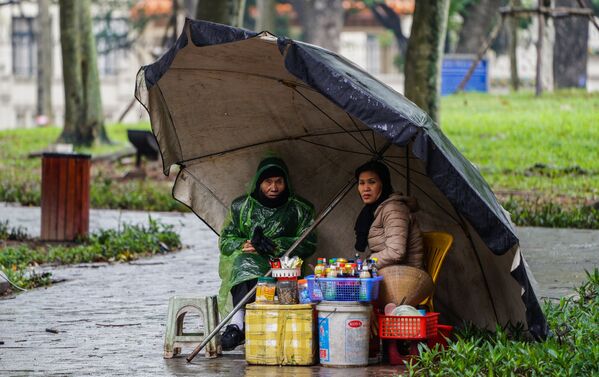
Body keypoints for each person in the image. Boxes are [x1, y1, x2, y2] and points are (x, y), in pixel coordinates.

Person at [218, 157, 316, 351]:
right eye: (268, 182)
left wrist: (275, 246)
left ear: (286, 182)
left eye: (279, 181)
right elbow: (226, 240)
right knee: (243, 264)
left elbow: (309, 243)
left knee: (287, 273)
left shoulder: (300, 208)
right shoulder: (242, 207)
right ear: (258, 183)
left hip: (286, 266)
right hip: (249, 264)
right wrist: (243, 244)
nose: (273, 187)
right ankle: (236, 326)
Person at [354, 160, 433, 306]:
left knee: (354, 293)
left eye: (371, 182)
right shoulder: (373, 210)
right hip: (390, 272)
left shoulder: (393, 209)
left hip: (405, 278)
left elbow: (396, 252)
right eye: (361, 183)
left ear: (383, 184)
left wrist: (367, 264)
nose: (365, 188)